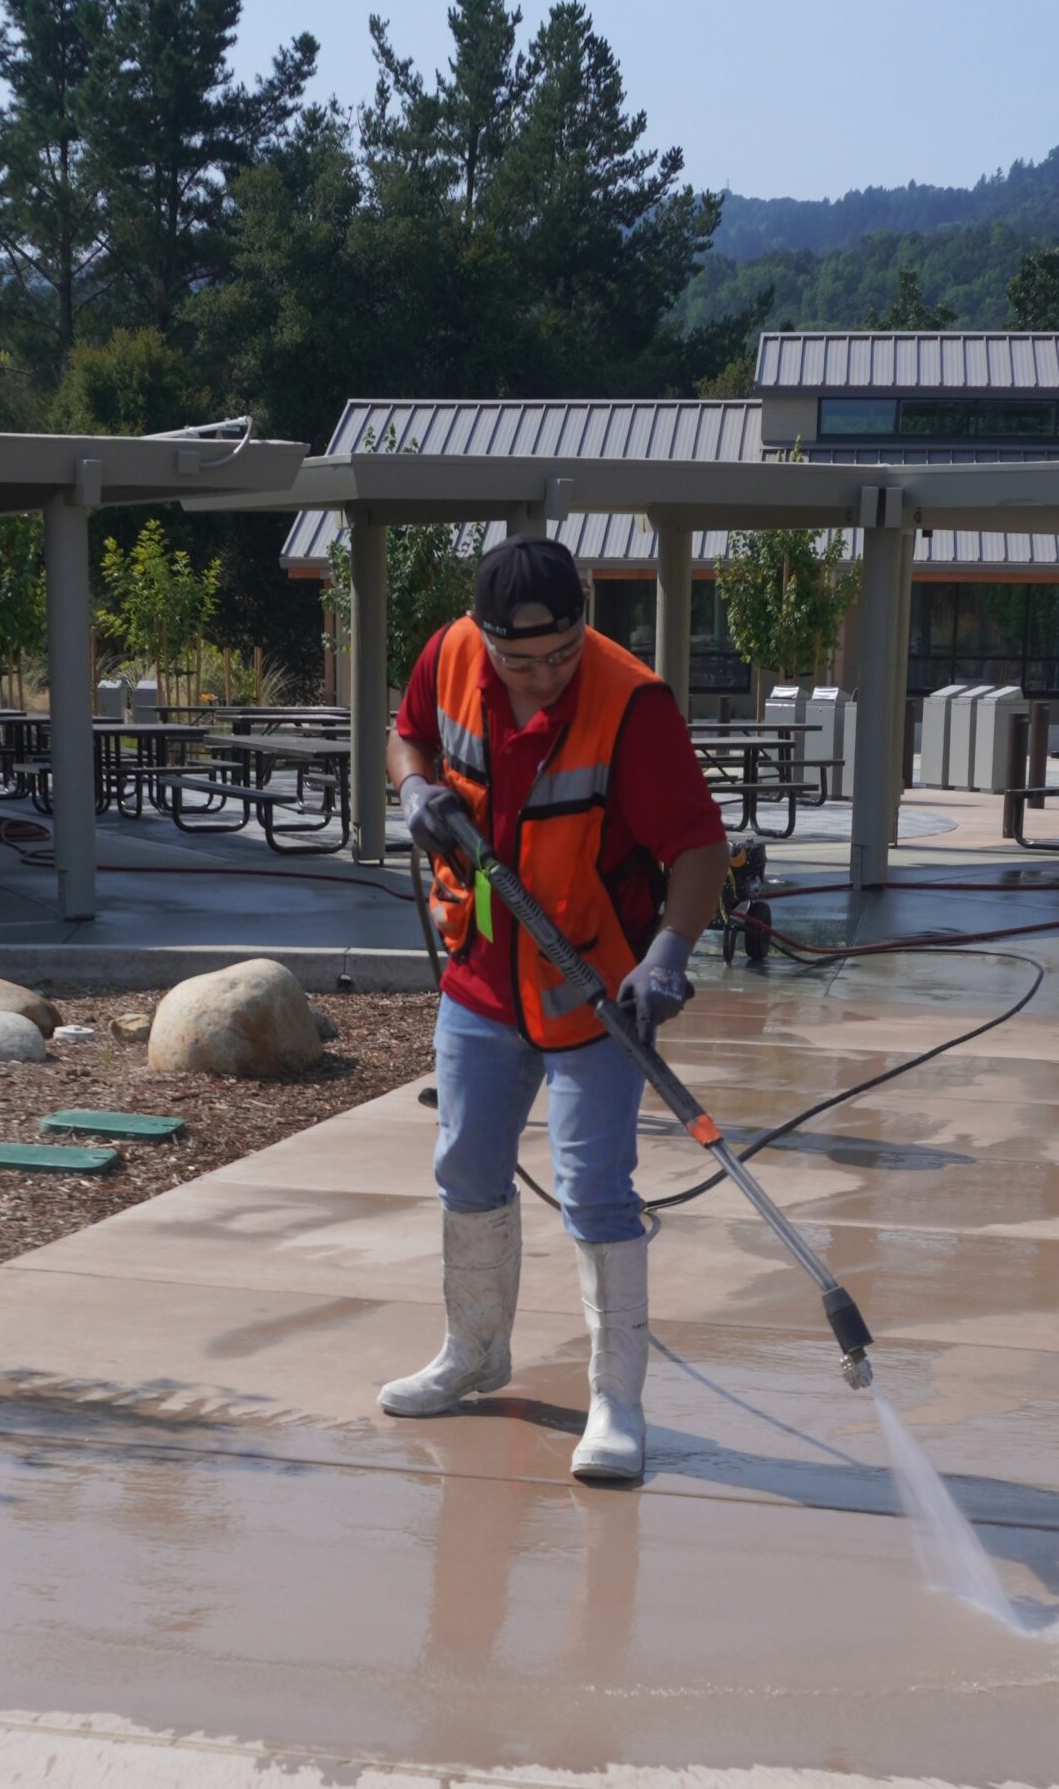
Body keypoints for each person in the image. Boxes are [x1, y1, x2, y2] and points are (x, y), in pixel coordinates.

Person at [380, 533, 729, 1483]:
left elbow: (699, 842)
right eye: (520, 660)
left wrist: (668, 952)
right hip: (484, 974)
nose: (543, 677)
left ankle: (617, 1402)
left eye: (562, 655)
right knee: (465, 1166)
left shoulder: (632, 704)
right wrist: (412, 785)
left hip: (594, 988)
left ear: (586, 623)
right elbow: (405, 729)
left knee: (596, 1191)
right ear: (484, 636)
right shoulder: (451, 654)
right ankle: (474, 1352)